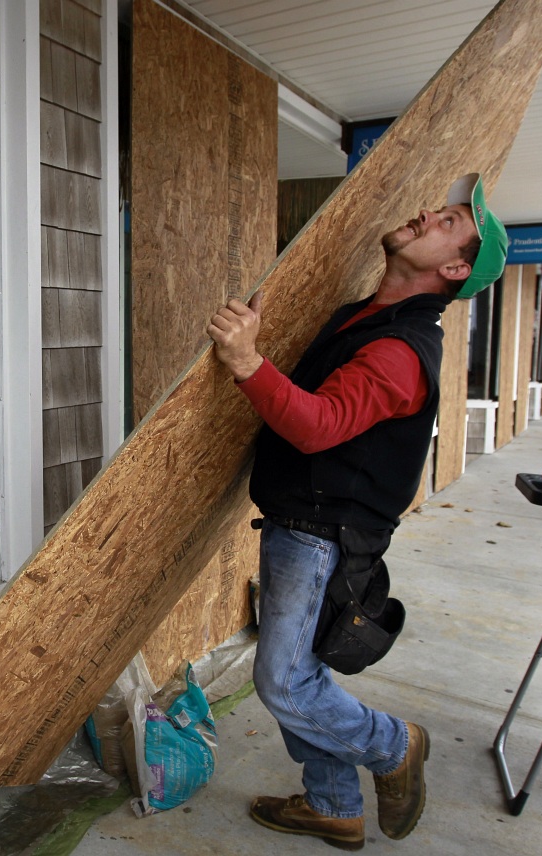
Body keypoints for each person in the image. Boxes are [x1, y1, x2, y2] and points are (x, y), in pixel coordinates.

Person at [206, 173, 508, 851]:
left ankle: (396, 746)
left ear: (455, 267)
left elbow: (317, 425)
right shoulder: (363, 316)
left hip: (323, 537)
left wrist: (245, 358)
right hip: (303, 522)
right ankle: (333, 805)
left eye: (451, 221)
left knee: (282, 682)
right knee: (303, 672)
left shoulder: (401, 351)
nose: (429, 212)